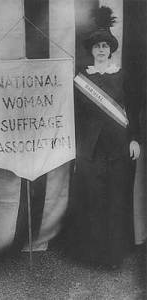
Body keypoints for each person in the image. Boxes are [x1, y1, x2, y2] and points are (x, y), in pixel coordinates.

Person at [67, 7, 141, 268]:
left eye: (105, 46)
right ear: (92, 49)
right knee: (92, 198)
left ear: (111, 49)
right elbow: (74, 115)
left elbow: (132, 110)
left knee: (115, 197)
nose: (100, 49)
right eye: (97, 46)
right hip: (90, 148)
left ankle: (113, 254)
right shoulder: (81, 77)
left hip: (119, 147)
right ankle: (92, 254)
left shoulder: (121, 76)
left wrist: (135, 140)